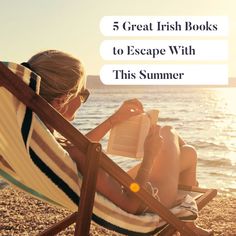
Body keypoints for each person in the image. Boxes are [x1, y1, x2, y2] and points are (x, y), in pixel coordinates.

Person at [23, 50, 212, 235]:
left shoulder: (40, 135)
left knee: (187, 153)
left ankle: (190, 228)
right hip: (146, 202)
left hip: (126, 189)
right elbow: (132, 205)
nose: (83, 100)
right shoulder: (71, 150)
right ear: (61, 101)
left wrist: (113, 120)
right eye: (83, 94)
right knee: (168, 132)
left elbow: (78, 147)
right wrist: (149, 156)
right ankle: (187, 226)